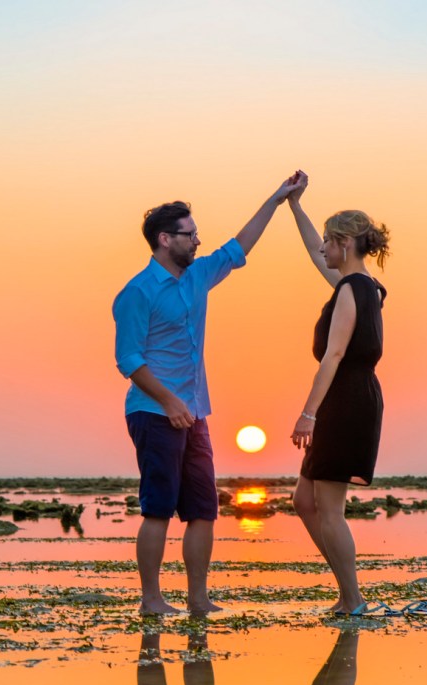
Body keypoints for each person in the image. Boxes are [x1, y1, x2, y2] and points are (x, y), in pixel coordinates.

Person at [114, 175, 303, 615]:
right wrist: (169, 401)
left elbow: (239, 247)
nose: (198, 240)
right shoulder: (136, 292)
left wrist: (275, 201)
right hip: (154, 411)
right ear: (165, 239)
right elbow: (129, 360)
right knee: (158, 508)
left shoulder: (198, 276)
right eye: (190, 234)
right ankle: (152, 600)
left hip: (196, 414)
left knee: (203, 509)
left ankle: (198, 599)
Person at [286, 172, 391, 615]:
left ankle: (352, 599)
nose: (323, 249)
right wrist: (295, 206)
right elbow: (314, 252)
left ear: (344, 243)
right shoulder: (358, 285)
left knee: (329, 507)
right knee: (304, 500)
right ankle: (348, 591)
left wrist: (307, 414)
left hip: (346, 401)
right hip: (348, 397)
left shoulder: (352, 288)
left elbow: (333, 355)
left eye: (329, 242)